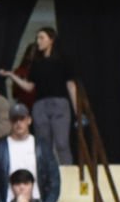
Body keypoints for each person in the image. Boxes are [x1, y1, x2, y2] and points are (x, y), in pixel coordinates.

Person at [4, 26, 75, 166]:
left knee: (62, 143)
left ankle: (68, 173)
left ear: (51, 40)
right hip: (40, 105)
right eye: (37, 38)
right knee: (43, 145)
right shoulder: (36, 64)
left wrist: (77, 110)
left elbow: (71, 85)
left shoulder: (63, 60)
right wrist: (12, 76)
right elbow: (30, 86)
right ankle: (45, 174)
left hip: (60, 104)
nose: (38, 41)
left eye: (42, 38)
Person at [0, 103, 61, 202]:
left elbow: (54, 178)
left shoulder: (41, 146)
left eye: (22, 118)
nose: (18, 123)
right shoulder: (0, 148)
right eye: (14, 120)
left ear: (29, 120)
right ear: (10, 122)